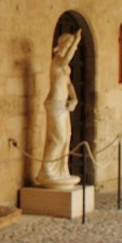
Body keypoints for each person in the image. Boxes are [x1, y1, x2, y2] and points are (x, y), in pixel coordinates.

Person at [35, 30, 82, 189]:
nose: (73, 50)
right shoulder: (57, 61)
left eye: (73, 47)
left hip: (63, 104)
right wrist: (76, 41)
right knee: (58, 138)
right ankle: (46, 170)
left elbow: (68, 84)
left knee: (66, 137)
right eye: (69, 46)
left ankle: (60, 171)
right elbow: (67, 58)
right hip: (54, 103)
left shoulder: (65, 66)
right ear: (62, 46)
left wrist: (74, 99)